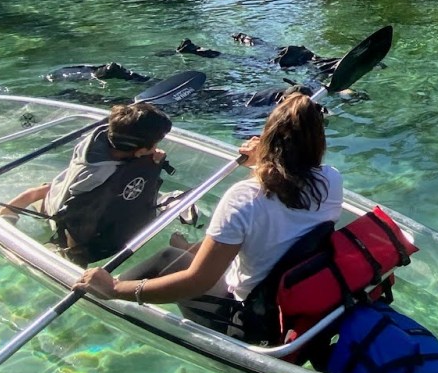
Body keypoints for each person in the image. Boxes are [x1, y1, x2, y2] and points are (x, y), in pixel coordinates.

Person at [74, 93, 343, 334]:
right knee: (202, 251)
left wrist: (116, 290)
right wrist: (263, 160)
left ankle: (102, 290)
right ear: (318, 141)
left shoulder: (244, 197)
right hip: (291, 303)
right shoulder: (332, 181)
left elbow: (197, 282)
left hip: (247, 320)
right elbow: (283, 191)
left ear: (268, 138)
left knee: (168, 258)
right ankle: (189, 252)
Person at [1, 102, 173, 264]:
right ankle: (6, 213)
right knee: (47, 196)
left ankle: (17, 205)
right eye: (154, 144)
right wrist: (75, 260)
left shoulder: (105, 137)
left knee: (49, 189)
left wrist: (146, 153)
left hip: (62, 186)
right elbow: (76, 219)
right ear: (140, 150)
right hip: (61, 209)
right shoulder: (96, 180)